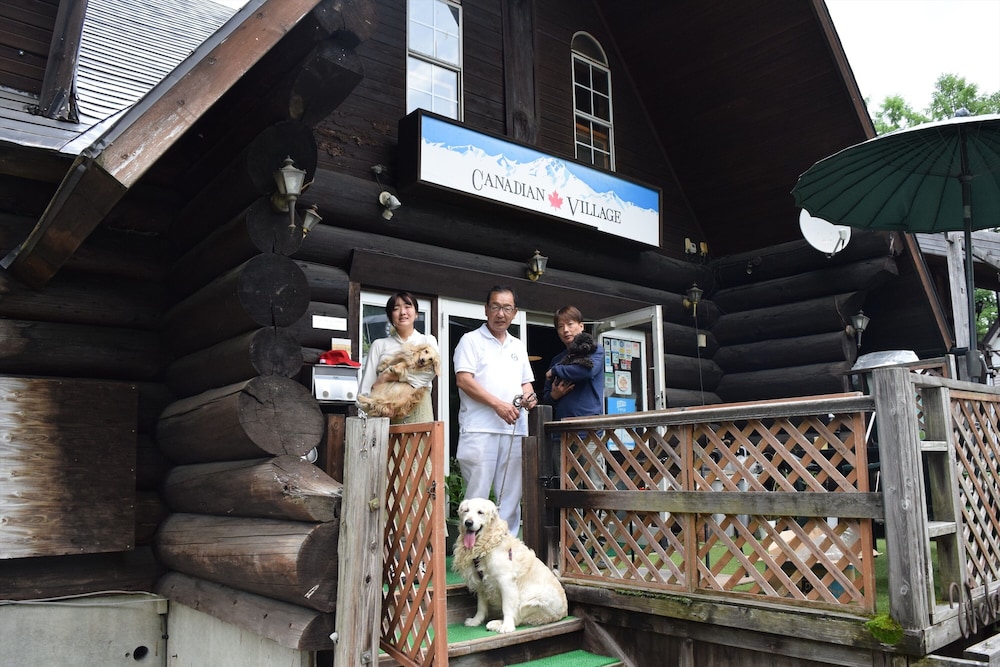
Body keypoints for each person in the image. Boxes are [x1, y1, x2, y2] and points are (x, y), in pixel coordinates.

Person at [454, 285, 537, 536]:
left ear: (515, 313)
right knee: (476, 499)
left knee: (511, 496)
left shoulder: (517, 346)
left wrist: (529, 397)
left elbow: (526, 383)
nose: (501, 313)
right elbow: (464, 380)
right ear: (486, 309)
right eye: (496, 307)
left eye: (507, 308)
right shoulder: (470, 340)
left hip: (513, 430)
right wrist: (498, 405)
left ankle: (506, 552)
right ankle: (473, 555)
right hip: (479, 429)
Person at [359, 291, 438, 424]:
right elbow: (365, 391)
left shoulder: (427, 341)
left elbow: (428, 374)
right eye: (396, 308)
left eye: (408, 306)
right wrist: (374, 406)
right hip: (386, 417)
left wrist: (386, 377)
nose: (403, 312)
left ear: (416, 313)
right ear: (390, 316)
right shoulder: (379, 345)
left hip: (420, 414)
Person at [543, 306, 605, 421]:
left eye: (570, 324)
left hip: (589, 426)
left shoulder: (595, 350)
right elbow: (546, 397)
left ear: (581, 326)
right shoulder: (557, 360)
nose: (566, 330)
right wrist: (554, 396)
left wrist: (556, 370)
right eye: (560, 326)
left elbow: (586, 371)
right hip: (561, 426)